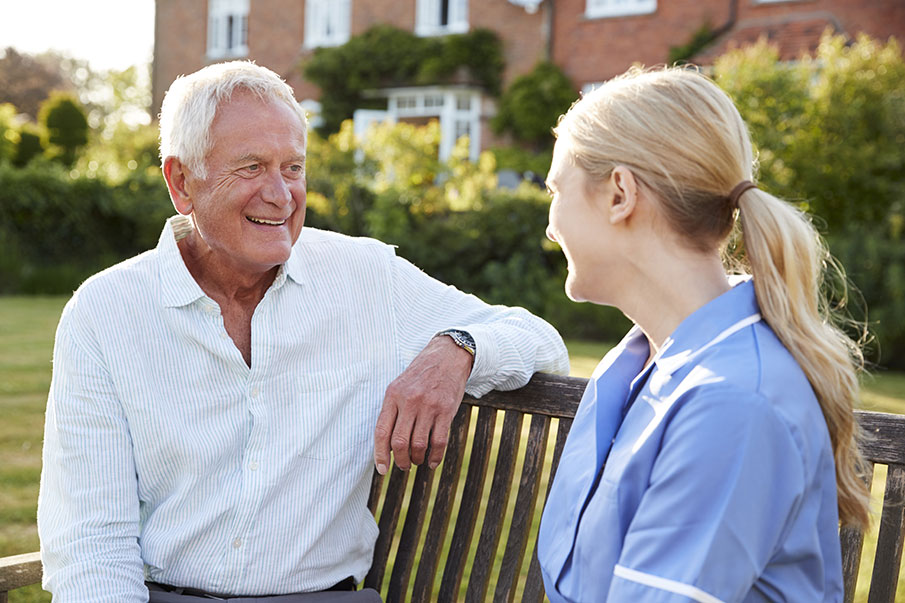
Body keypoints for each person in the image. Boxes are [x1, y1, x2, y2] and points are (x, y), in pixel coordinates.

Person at [37, 61, 569, 602]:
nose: (281, 194)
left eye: (293, 167)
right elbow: (89, 542)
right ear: (182, 182)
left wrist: (457, 349)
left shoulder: (366, 278)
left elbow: (540, 339)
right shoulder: (105, 313)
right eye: (250, 168)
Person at [536, 66, 870, 602]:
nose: (551, 225)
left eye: (556, 189)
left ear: (620, 192)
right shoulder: (645, 362)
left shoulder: (732, 402)